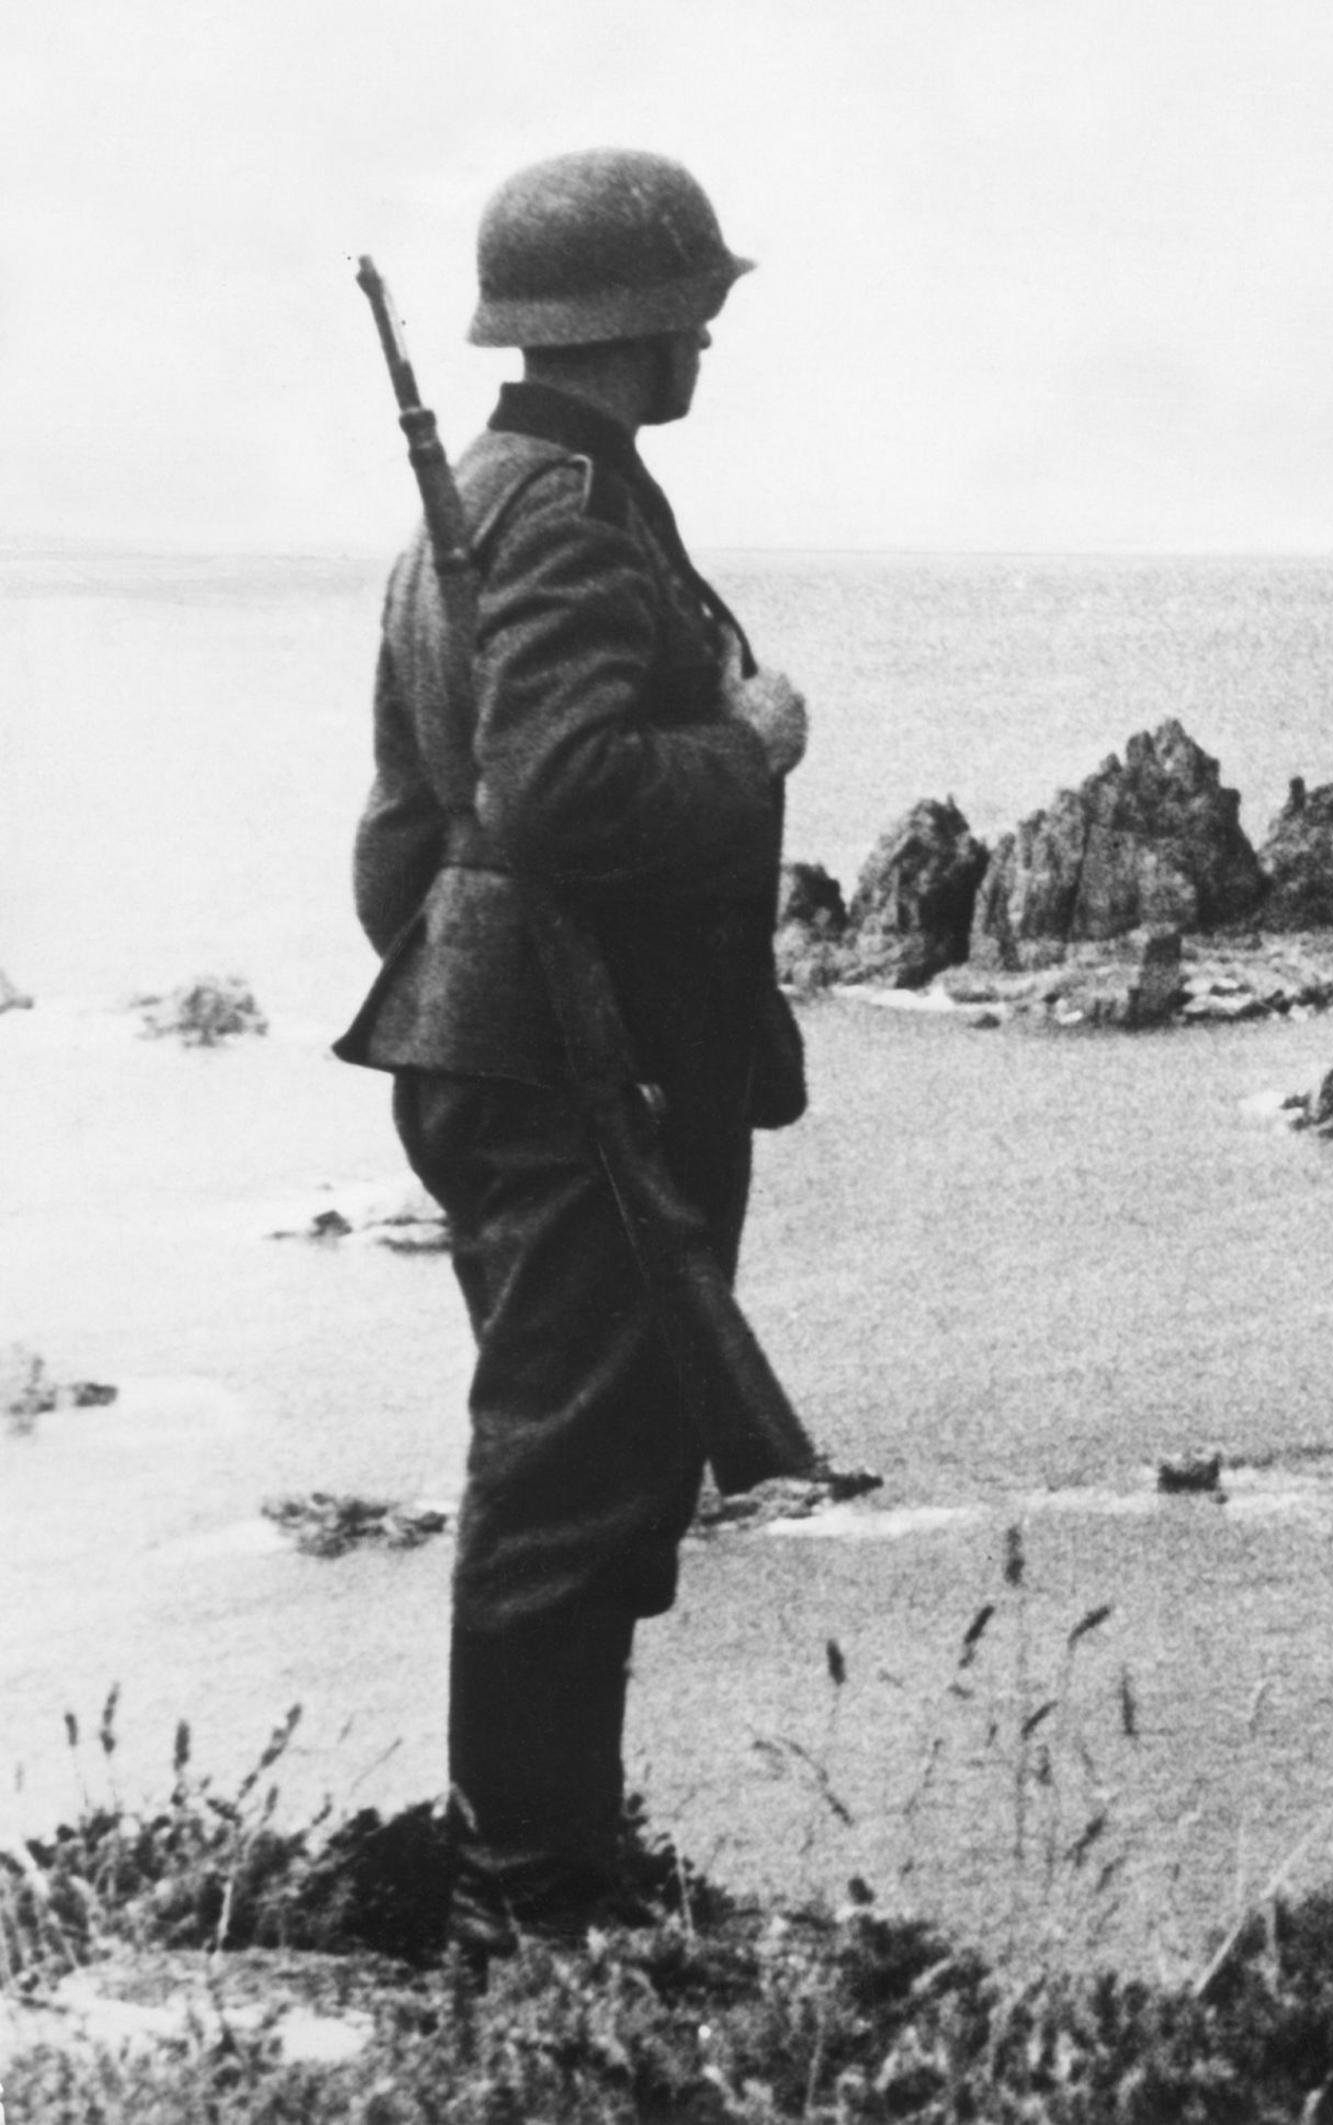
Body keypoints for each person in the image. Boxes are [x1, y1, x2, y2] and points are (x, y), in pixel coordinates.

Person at [334, 147, 811, 1942]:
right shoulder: (561, 511)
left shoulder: (474, 501)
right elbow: (562, 795)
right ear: (637, 320)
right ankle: (528, 1900)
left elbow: (404, 835)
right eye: (694, 302)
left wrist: (468, 988)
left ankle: (561, 1868)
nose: (708, 333)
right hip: (566, 1060)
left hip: (506, 1041)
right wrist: (751, 742)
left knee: (595, 1461)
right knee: (563, 1475)